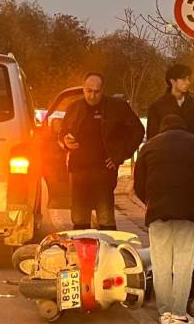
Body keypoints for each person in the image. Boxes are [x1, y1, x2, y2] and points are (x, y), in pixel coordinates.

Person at [134, 115, 194, 324]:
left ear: (162, 128)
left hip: (158, 212)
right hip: (188, 213)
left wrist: (150, 201)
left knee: (160, 262)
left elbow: (138, 185)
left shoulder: (149, 146)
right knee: (183, 262)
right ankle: (179, 313)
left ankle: (164, 312)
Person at [60, 72, 144, 230]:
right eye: (88, 91)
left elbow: (138, 131)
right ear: (83, 89)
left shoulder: (117, 107)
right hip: (78, 170)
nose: (92, 96)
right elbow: (62, 132)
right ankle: (80, 252)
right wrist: (65, 141)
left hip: (104, 170)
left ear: (102, 90)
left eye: (96, 91)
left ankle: (107, 251)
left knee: (105, 218)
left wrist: (119, 155)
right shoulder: (74, 107)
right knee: (79, 219)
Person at [146, 64, 194, 141]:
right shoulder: (157, 107)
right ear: (172, 81)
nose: (188, 82)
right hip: (167, 152)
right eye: (183, 79)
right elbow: (152, 139)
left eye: (188, 79)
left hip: (191, 152)